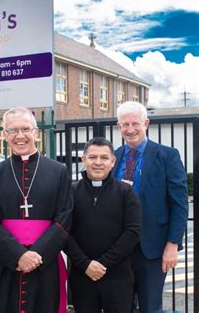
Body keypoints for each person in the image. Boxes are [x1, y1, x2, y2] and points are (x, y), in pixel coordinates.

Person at [0, 107, 73, 313]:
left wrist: (36, 254)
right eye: (13, 130)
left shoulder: (58, 171)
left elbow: (64, 219)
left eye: (25, 129)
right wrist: (18, 255)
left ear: (36, 133)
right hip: (5, 262)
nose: (19, 136)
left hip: (44, 262)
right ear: (4, 135)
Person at [114, 101, 188, 313]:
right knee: (120, 306)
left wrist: (172, 245)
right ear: (118, 127)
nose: (130, 129)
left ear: (146, 123)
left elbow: (180, 203)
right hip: (118, 249)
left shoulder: (167, 156)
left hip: (152, 249)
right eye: (125, 124)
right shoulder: (114, 156)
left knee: (149, 307)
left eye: (135, 123)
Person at [64, 137, 141, 313]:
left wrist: (103, 264)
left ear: (113, 162)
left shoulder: (126, 192)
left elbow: (133, 232)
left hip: (118, 277)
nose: (98, 162)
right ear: (83, 159)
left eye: (104, 158)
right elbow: (63, 232)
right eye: (92, 157)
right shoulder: (70, 192)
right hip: (82, 276)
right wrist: (85, 264)